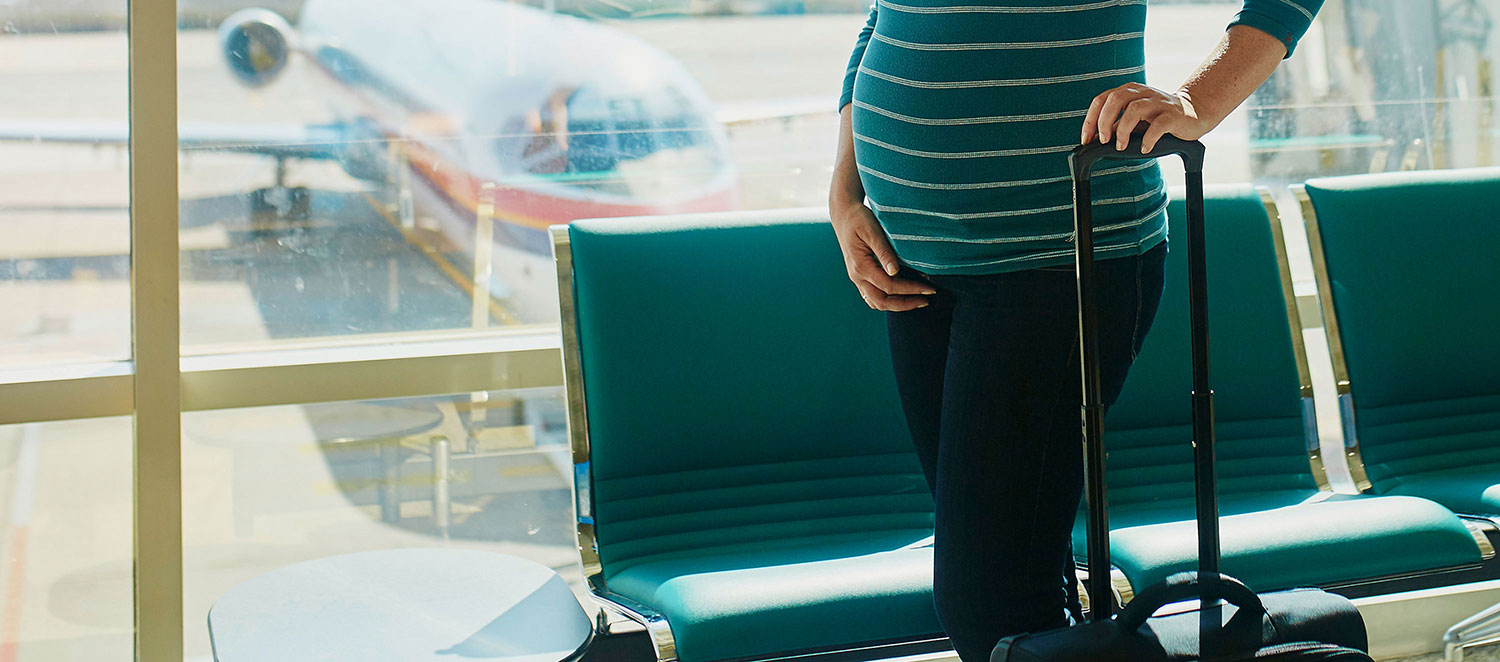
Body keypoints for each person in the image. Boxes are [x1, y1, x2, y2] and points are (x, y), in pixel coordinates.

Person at [826, 1, 1323, 660]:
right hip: (916, 264)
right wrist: (846, 189)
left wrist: (1196, 100)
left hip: (1059, 259)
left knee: (988, 605)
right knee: (1023, 590)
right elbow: (884, 16)